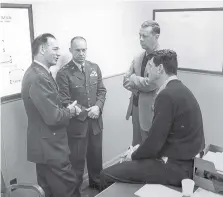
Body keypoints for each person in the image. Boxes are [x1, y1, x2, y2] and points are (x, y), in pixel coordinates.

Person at [100, 49, 205, 189]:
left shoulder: (166, 95)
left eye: (150, 65)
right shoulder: (181, 90)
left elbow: (154, 144)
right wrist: (139, 148)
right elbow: (161, 136)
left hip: (176, 168)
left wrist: (133, 155)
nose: (147, 69)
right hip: (188, 162)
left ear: (160, 68)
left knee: (105, 175)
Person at [21, 33, 81, 197]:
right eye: (55, 48)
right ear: (42, 49)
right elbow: (54, 117)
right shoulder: (39, 77)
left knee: (50, 191)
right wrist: (71, 111)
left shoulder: (37, 72)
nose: (59, 53)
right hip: (52, 148)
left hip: (43, 147)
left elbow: (49, 107)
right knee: (68, 189)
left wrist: (63, 108)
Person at [56, 36, 107, 196]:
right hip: (78, 125)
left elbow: (101, 91)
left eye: (84, 49)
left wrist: (98, 107)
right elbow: (65, 100)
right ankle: (75, 192)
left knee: (96, 157)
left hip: (95, 123)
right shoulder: (64, 73)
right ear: (71, 50)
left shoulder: (94, 67)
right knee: (77, 163)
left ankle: (97, 185)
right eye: (77, 50)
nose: (81, 53)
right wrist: (87, 111)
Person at [123, 20, 160, 146]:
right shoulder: (137, 57)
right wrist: (137, 86)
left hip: (152, 111)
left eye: (144, 36)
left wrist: (133, 79)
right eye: (140, 35)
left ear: (156, 37)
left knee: (149, 149)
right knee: (136, 146)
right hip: (136, 107)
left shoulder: (163, 58)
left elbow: (151, 84)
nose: (140, 39)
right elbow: (125, 80)